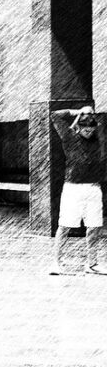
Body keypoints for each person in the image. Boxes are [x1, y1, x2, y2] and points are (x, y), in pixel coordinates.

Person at [49, 107, 106, 276]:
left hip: (94, 188)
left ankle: (92, 264)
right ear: (78, 128)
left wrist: (90, 113)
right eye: (85, 128)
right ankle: (56, 263)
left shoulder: (98, 138)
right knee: (64, 226)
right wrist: (77, 111)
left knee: (94, 227)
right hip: (73, 189)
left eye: (91, 128)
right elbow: (55, 115)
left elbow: (98, 123)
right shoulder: (69, 138)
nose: (88, 131)